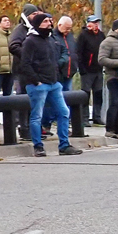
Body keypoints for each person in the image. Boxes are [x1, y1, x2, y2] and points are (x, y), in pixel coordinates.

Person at [16, 12, 82, 157]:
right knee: (36, 116)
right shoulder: (30, 41)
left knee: (64, 112)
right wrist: (36, 81)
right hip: (38, 85)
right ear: (38, 24)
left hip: (54, 83)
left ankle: (64, 145)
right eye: (45, 21)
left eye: (50, 21)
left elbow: (56, 58)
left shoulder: (51, 39)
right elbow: (25, 64)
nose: (49, 24)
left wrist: (56, 76)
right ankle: (38, 146)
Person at [75, 16, 105, 125]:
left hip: (98, 69)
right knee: (85, 94)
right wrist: (81, 68)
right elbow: (78, 52)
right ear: (88, 24)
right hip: (87, 70)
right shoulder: (83, 35)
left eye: (97, 22)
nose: (96, 24)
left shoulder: (101, 35)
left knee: (98, 93)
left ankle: (97, 116)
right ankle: (85, 118)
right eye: (94, 22)